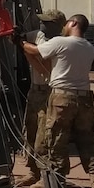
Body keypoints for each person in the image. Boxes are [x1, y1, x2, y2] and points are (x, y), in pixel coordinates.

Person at [21, 15, 94, 188]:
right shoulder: (89, 47)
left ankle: (56, 180)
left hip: (62, 97)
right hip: (84, 97)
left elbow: (34, 51)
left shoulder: (61, 42)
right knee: (87, 139)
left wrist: (19, 42)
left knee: (56, 139)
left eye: (68, 23)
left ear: (73, 23)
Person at [23, 9, 64, 152]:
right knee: (30, 128)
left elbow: (44, 68)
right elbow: (20, 39)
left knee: (43, 133)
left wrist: (26, 49)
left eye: (46, 22)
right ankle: (32, 169)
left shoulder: (60, 43)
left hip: (49, 92)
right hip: (35, 89)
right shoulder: (37, 36)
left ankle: (43, 166)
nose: (41, 23)